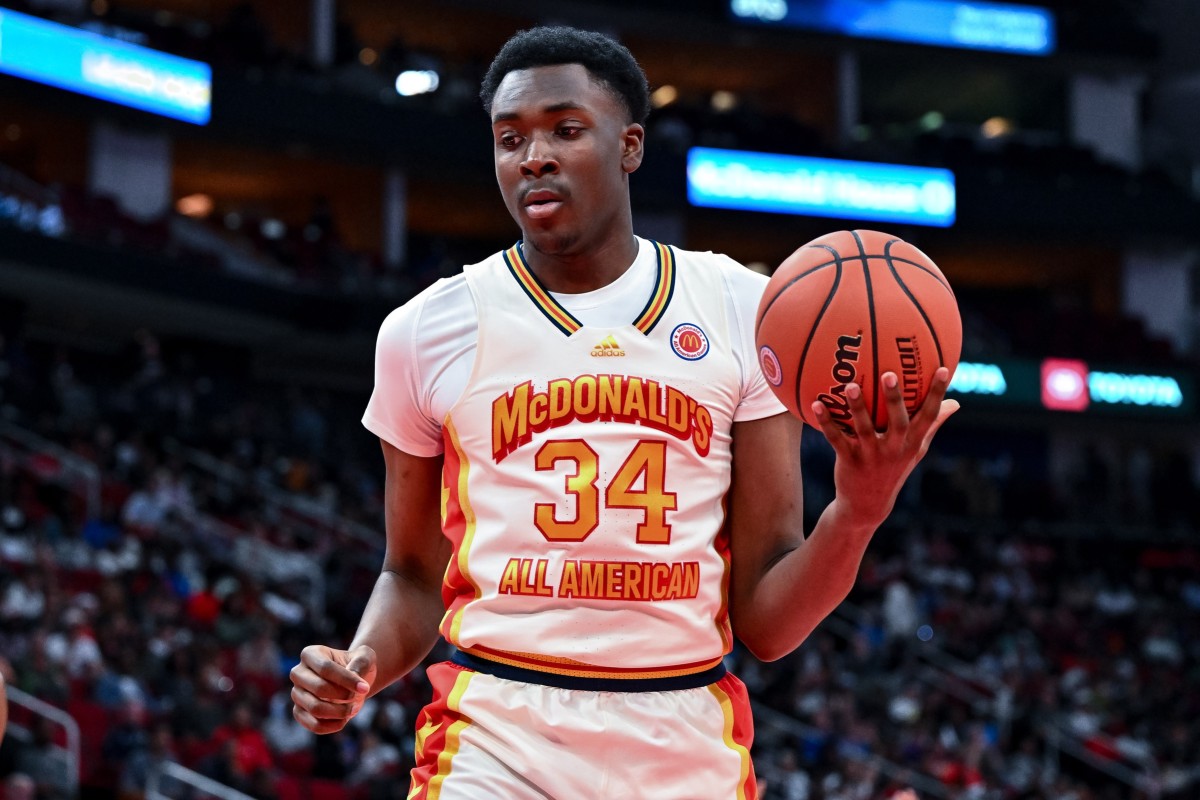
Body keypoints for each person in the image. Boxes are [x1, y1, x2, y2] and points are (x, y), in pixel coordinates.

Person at [290, 25, 957, 798]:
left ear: (630, 145)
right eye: (510, 139)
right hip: (499, 732)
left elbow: (769, 622)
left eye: (566, 130)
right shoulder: (425, 329)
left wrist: (861, 509)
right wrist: (363, 662)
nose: (533, 155)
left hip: (683, 731)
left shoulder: (742, 306)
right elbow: (411, 572)